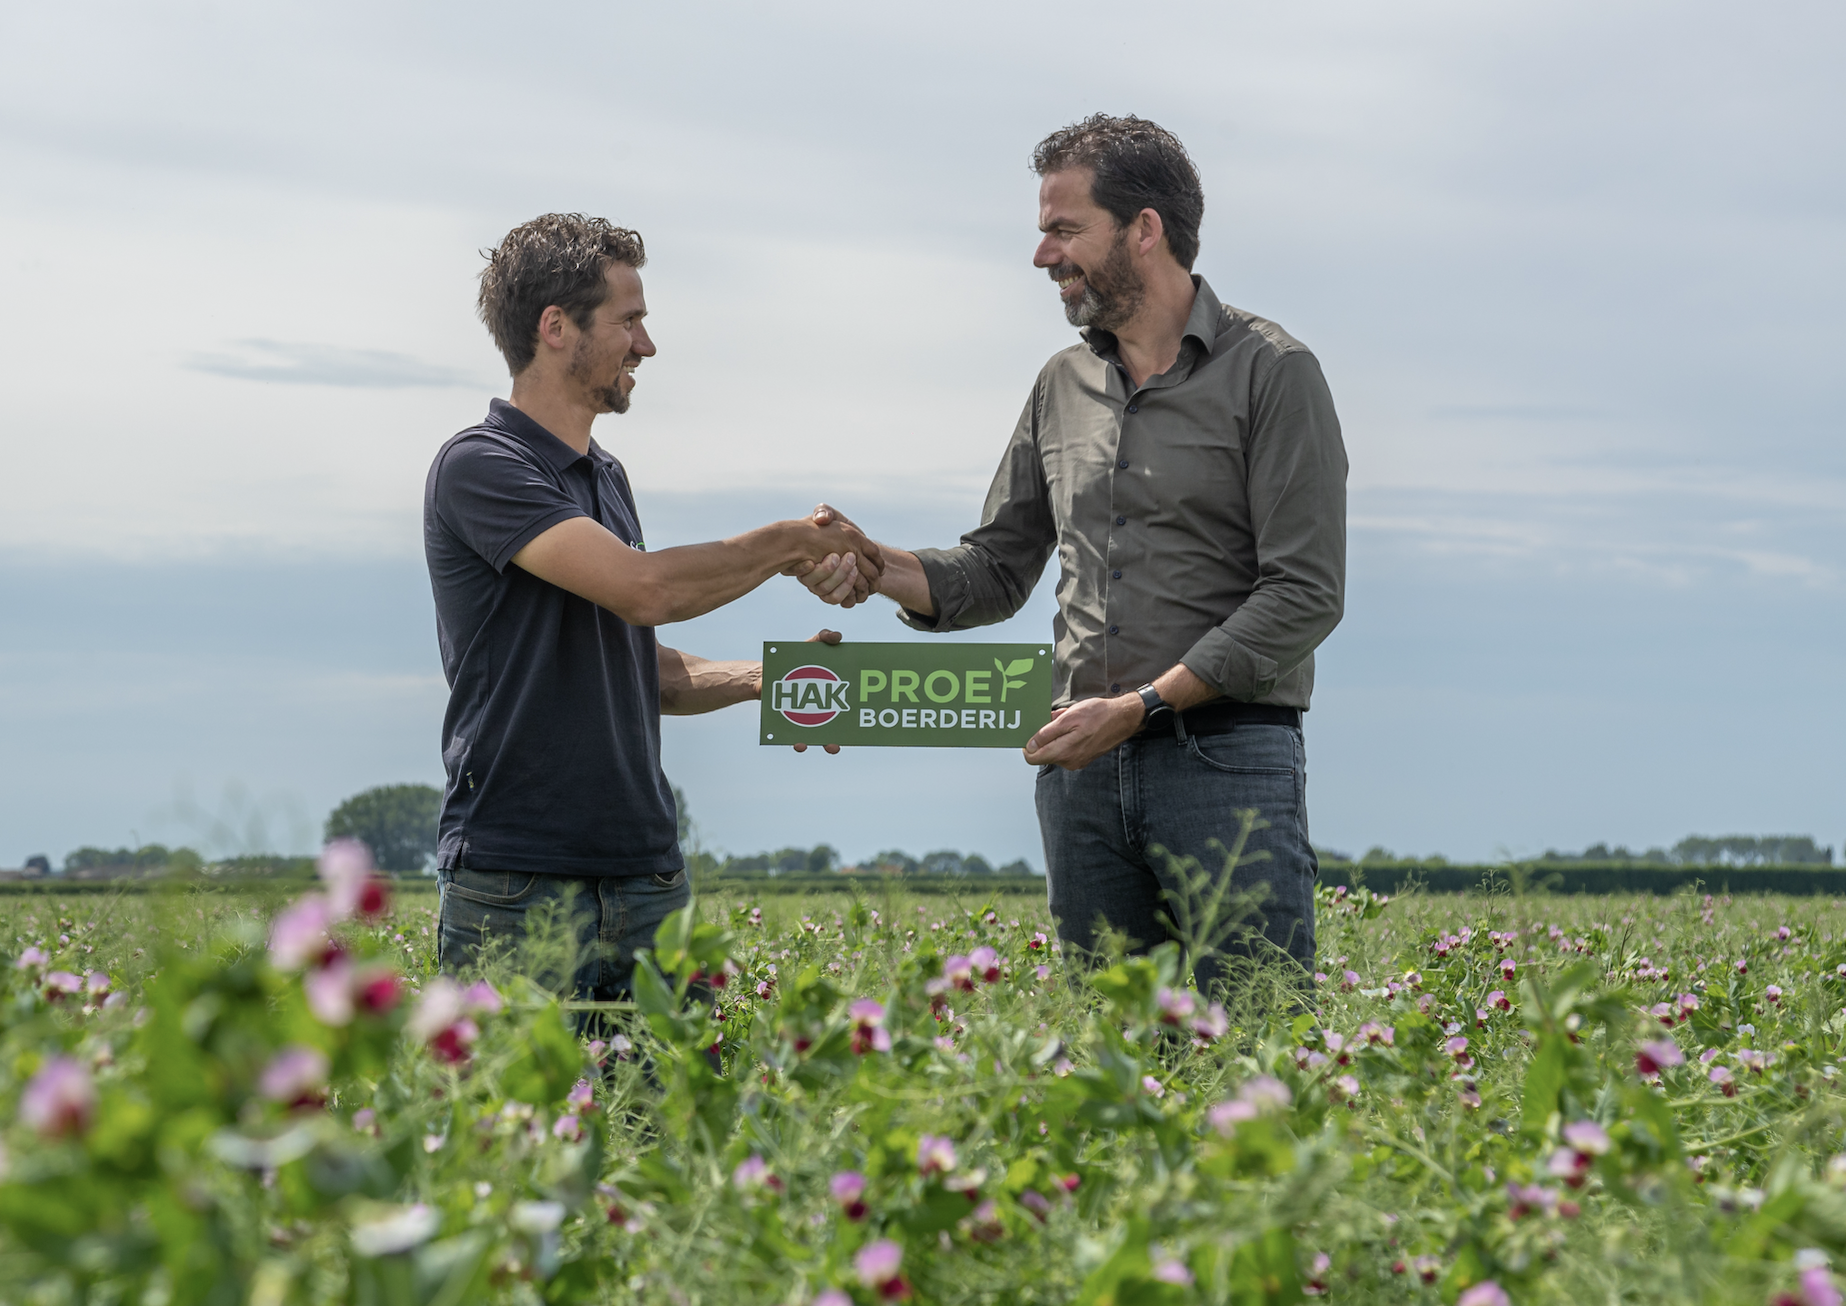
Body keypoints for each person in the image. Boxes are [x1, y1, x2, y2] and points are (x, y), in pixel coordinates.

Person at [801, 116, 1347, 989]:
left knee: (1258, 1050)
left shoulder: (1273, 373)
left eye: (1063, 229)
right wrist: (876, 567)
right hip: (1081, 773)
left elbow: (1304, 593)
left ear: (1144, 228)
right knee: (1113, 1075)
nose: (1043, 256)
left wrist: (1141, 706)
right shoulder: (1062, 383)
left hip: (1226, 764)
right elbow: (997, 566)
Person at [426, 212, 877, 995]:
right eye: (629, 320)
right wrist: (791, 543)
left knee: (667, 1120)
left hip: (646, 880)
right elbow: (647, 591)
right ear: (556, 327)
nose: (646, 344)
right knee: (516, 1122)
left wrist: (771, 682)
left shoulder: (607, 478)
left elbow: (641, 671)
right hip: (516, 885)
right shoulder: (481, 466)